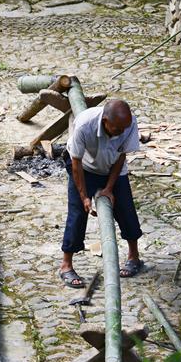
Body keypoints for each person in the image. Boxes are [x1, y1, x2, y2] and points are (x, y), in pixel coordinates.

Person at [59, 99, 144, 288]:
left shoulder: (128, 124)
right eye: (116, 129)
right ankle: (66, 265)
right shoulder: (85, 124)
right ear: (105, 121)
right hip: (84, 168)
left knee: (126, 209)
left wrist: (109, 188)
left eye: (124, 128)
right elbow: (76, 162)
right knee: (77, 212)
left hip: (112, 167)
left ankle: (134, 257)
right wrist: (84, 196)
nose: (121, 132)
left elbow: (122, 156)